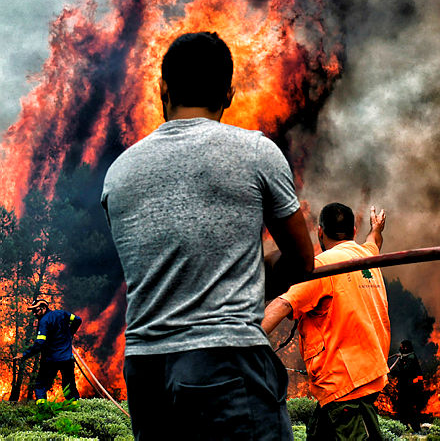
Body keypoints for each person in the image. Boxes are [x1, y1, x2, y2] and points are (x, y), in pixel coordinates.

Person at [101, 31, 315, 440]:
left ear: (163, 88)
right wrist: (258, 268)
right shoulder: (255, 152)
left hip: (146, 372)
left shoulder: (119, 174)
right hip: (226, 361)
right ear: (229, 92)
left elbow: (160, 266)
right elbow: (302, 262)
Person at [262, 203, 390, 441]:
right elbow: (375, 241)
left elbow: (282, 305)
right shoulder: (366, 256)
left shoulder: (321, 266)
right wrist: (376, 227)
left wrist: (245, 344)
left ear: (320, 231)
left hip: (344, 386)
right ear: (353, 230)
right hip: (358, 380)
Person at [18, 299, 82, 403]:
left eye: (36, 310)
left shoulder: (44, 321)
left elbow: (40, 343)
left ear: (44, 308)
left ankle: (42, 409)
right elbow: (78, 320)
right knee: (69, 386)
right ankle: (75, 409)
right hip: (67, 359)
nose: (34, 314)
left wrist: (24, 355)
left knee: (41, 385)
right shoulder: (62, 313)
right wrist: (70, 333)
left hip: (50, 360)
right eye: (33, 311)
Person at [389, 339, 424, 431]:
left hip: (410, 389)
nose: (400, 348)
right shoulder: (407, 357)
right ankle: (405, 427)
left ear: (406, 347)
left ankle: (416, 429)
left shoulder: (411, 358)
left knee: (409, 408)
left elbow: (404, 372)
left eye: (402, 347)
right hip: (405, 388)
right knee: (402, 408)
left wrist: (392, 372)